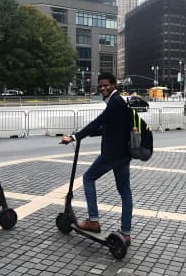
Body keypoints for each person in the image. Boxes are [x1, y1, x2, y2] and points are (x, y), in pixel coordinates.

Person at [60, 73, 133, 246]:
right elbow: (112, 126)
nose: (103, 88)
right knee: (124, 191)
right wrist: (92, 133)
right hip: (123, 154)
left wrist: (74, 136)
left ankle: (93, 220)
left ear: (114, 85)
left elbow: (98, 121)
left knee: (88, 178)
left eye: (106, 85)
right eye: (100, 86)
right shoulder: (118, 102)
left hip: (112, 154)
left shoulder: (115, 102)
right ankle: (126, 233)